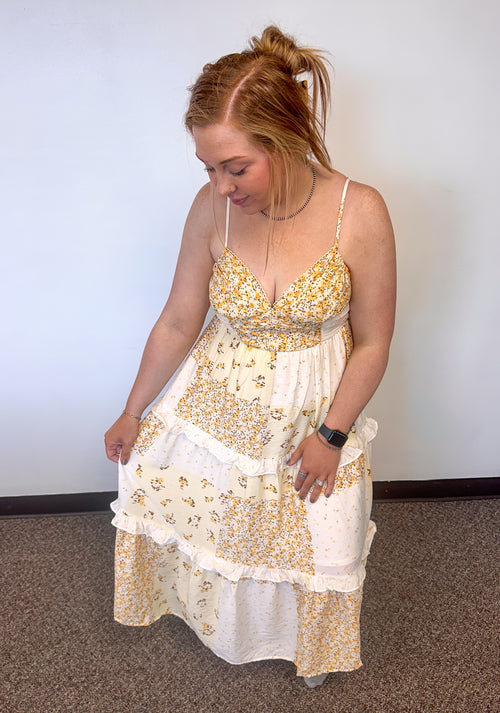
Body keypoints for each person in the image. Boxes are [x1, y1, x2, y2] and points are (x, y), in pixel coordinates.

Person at [105, 25, 396, 688]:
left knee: (317, 534)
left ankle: (307, 646)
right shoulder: (211, 210)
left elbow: (375, 341)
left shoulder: (360, 211)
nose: (221, 185)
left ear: (286, 139)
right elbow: (179, 319)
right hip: (221, 402)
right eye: (208, 168)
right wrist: (132, 409)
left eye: (235, 167)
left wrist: (332, 435)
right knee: (221, 524)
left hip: (314, 409)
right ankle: (226, 626)